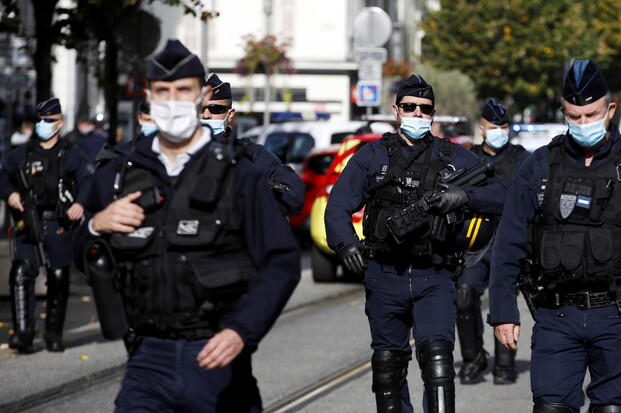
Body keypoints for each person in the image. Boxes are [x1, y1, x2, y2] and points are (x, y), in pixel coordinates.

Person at [75, 39, 301, 412]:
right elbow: (82, 258)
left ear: (201, 96)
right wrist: (95, 227)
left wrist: (241, 330)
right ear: (148, 95)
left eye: (183, 91)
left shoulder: (239, 174)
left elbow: (282, 261)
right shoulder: (119, 173)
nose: (173, 101)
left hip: (218, 354)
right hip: (148, 359)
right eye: (163, 92)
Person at [489, 59, 621, 413]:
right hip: (556, 316)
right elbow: (509, 244)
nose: (583, 124)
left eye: (591, 115)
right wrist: (503, 311)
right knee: (550, 407)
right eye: (574, 116)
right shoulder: (539, 166)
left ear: (610, 109)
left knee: (613, 407)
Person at [325, 74, 508, 413]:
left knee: (438, 365)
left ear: (433, 114)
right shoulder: (371, 156)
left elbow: (502, 194)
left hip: (433, 276)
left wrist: (463, 195)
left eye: (425, 109)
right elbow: (337, 206)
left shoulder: (455, 156)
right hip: (384, 273)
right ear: (396, 110)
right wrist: (346, 244)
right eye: (410, 107)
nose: (418, 115)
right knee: (388, 368)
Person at [0, 98, 94, 353]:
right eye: (40, 120)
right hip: (28, 221)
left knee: (58, 276)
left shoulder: (71, 153)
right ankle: (23, 333)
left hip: (58, 222)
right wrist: (10, 194)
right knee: (21, 272)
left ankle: (53, 333)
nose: (43, 125)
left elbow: (87, 180)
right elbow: (3, 175)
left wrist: (80, 204)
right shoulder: (23, 153)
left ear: (60, 123)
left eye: (49, 121)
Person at [456, 98, 531, 385]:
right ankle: (474, 359)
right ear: (482, 128)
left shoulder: (521, 158)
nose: (499, 130)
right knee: (463, 296)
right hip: (474, 243)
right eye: (493, 126)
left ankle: (505, 363)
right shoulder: (467, 157)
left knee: (505, 298)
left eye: (503, 125)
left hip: (507, 241)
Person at [202, 72, 304, 217]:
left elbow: (294, 196)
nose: (206, 115)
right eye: (200, 109)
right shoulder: (171, 151)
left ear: (230, 114)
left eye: (216, 109)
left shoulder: (251, 155)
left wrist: (254, 186)